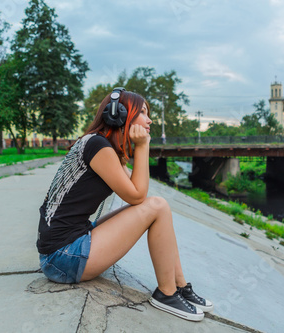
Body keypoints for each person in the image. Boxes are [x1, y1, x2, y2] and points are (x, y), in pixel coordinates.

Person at [36, 88, 212, 322]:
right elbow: (137, 195)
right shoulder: (98, 147)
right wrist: (142, 146)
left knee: (157, 207)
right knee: (156, 206)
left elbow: (136, 191)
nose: (149, 120)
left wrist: (133, 151)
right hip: (62, 257)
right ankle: (166, 293)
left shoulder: (102, 146)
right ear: (117, 115)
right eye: (142, 113)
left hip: (67, 246)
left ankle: (179, 285)